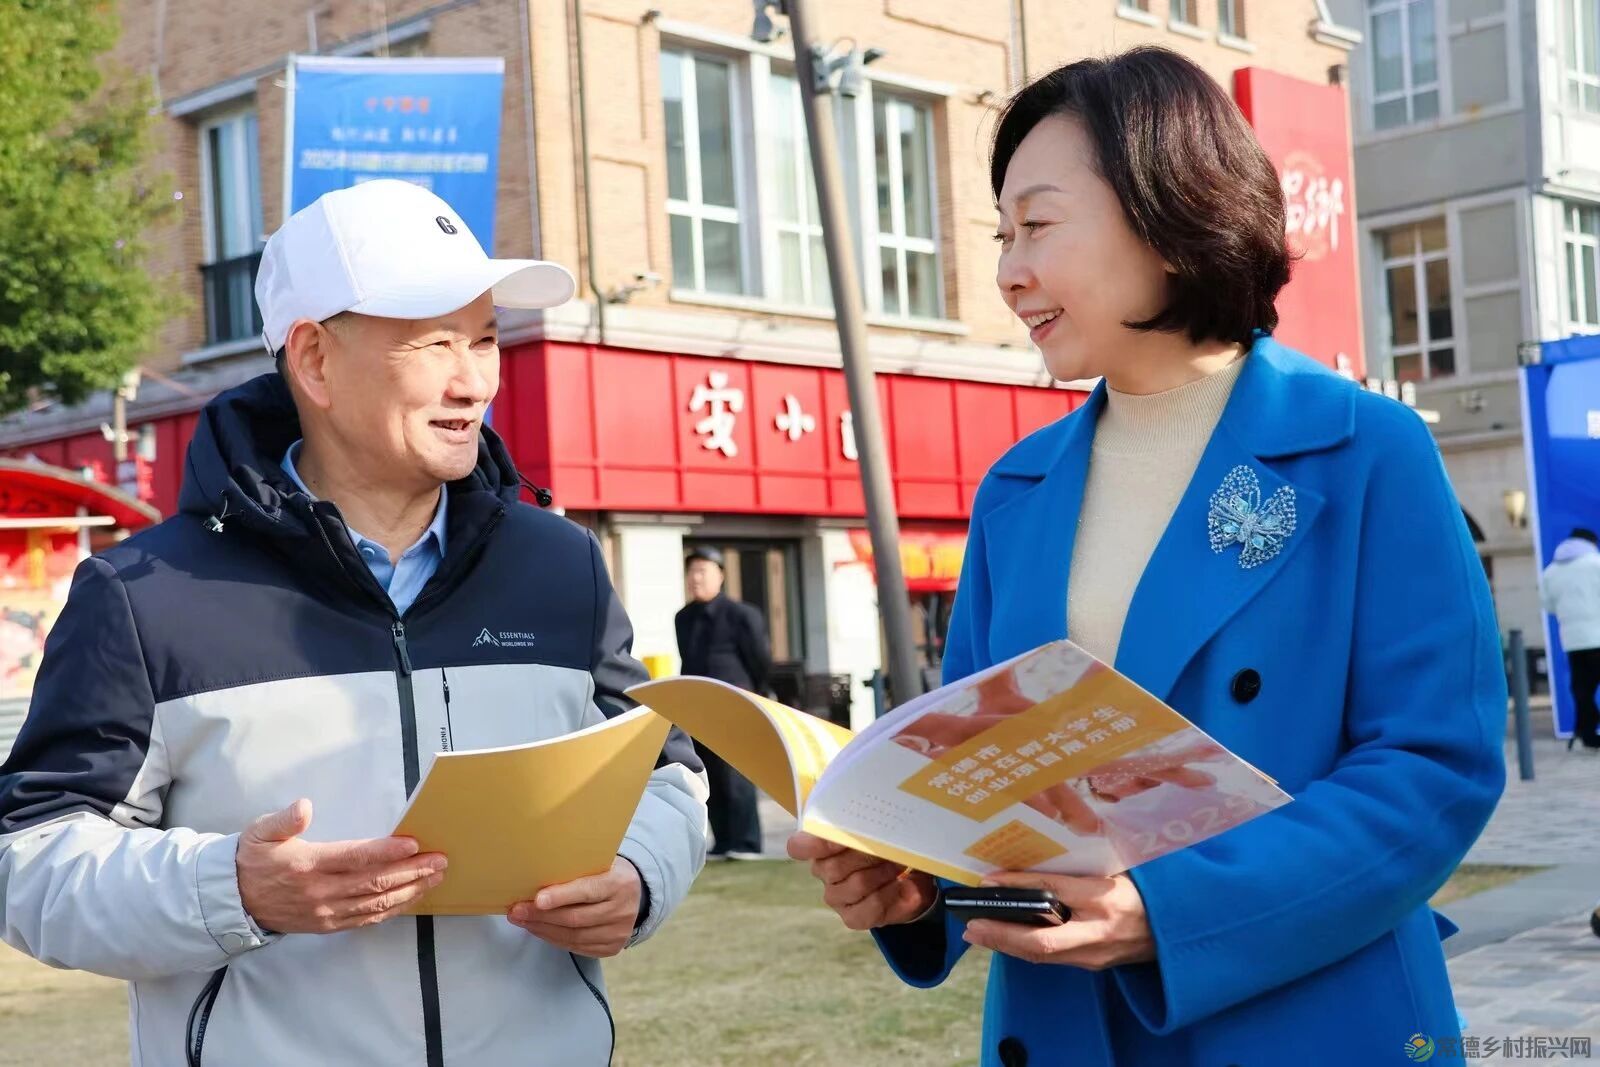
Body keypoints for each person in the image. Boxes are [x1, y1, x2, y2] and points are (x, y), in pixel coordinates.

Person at [789, 48, 1505, 1066]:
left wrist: (1169, 910)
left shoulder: (1362, 448)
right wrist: (915, 883)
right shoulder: (1017, 490)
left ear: (1165, 213)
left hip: (1306, 1011)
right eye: (1000, 237)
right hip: (1067, 1024)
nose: (1007, 272)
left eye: (1036, 225)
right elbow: (978, 780)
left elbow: (1434, 765)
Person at [0, 179, 708, 1065]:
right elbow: (29, 859)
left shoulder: (559, 564)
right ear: (315, 361)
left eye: (486, 338)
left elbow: (666, 773)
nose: (475, 379)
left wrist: (638, 874)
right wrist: (233, 889)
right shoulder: (142, 594)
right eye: (438, 341)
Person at [676, 546, 771, 859]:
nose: (696, 578)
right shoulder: (683, 618)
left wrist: (755, 697)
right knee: (709, 773)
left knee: (736, 773)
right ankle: (723, 841)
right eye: (691, 571)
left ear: (721, 575)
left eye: (703, 571)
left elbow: (760, 661)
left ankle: (746, 843)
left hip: (735, 703)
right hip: (698, 707)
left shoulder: (742, 615)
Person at [1539, 527, 1600, 750]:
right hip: (1598, 634)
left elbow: (1548, 605)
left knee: (1582, 688)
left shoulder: (1551, 571)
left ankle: (1587, 733)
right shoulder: (1596, 563)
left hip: (1572, 639)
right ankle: (1588, 729)